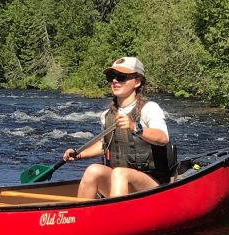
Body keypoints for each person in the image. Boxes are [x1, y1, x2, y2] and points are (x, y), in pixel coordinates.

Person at [62, 56, 173, 200]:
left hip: (153, 184)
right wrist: (79, 154)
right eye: (111, 76)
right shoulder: (106, 115)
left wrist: (135, 127)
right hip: (118, 181)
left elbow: (163, 138)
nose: (115, 81)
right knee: (93, 170)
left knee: (121, 172)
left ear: (137, 82)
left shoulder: (149, 108)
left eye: (121, 77)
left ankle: (114, 217)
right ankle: (84, 217)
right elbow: (104, 145)